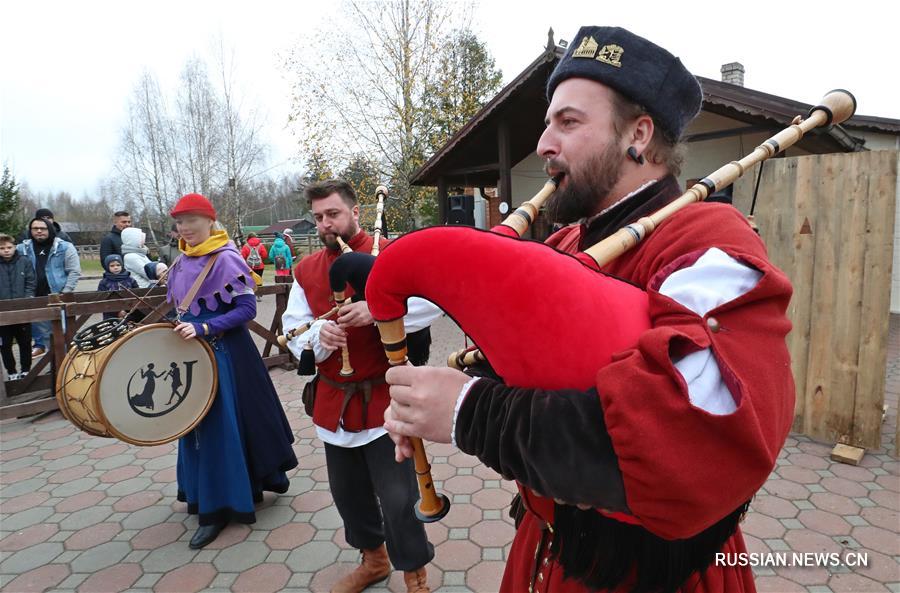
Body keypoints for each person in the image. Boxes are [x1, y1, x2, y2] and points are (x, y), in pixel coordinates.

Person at [381, 26, 795, 593]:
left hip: (649, 574)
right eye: (548, 124)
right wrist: (430, 399)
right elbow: (529, 368)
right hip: (550, 547)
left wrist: (469, 413)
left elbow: (691, 440)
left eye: (569, 123)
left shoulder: (709, 240)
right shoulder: (565, 244)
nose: (545, 143)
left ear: (639, 135)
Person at [282, 180, 440, 593]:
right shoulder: (308, 269)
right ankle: (374, 561)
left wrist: (378, 310)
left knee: (399, 498)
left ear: (355, 212)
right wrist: (318, 336)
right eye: (318, 217)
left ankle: (414, 575)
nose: (325, 223)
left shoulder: (389, 252)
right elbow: (291, 329)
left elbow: (434, 300)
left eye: (332, 214)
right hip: (334, 398)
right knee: (348, 495)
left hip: (385, 396)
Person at [166, 192, 297, 549]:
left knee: (223, 427)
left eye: (191, 219)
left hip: (227, 355)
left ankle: (222, 507)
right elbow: (178, 310)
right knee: (195, 427)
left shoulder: (226, 258)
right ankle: (207, 492)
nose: (184, 227)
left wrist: (205, 328)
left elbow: (246, 310)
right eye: (179, 221)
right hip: (192, 357)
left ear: (210, 220)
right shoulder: (179, 263)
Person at [17, 218, 81, 357]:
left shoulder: (65, 247)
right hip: (34, 297)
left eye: (43, 228)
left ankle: (66, 367)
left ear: (50, 229)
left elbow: (74, 271)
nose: (39, 231)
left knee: (64, 334)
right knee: (44, 336)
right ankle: (52, 367)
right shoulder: (22, 248)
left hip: (58, 296)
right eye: (35, 228)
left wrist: (66, 292)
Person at [0, 233, 36, 380]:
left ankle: (26, 369)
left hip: (22, 309)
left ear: (15, 247)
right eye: (2, 248)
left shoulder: (24, 261)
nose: (6, 250)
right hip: (2, 313)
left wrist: (27, 300)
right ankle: (11, 371)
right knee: (5, 344)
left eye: (9, 247)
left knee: (25, 341)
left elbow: (30, 282)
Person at [97, 254, 139, 320]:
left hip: (129, 311)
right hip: (110, 312)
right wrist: (117, 310)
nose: (116, 267)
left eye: (118, 265)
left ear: (122, 265)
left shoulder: (130, 280)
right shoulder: (104, 282)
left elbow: (137, 295)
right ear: (107, 267)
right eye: (112, 266)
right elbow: (101, 299)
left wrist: (126, 310)